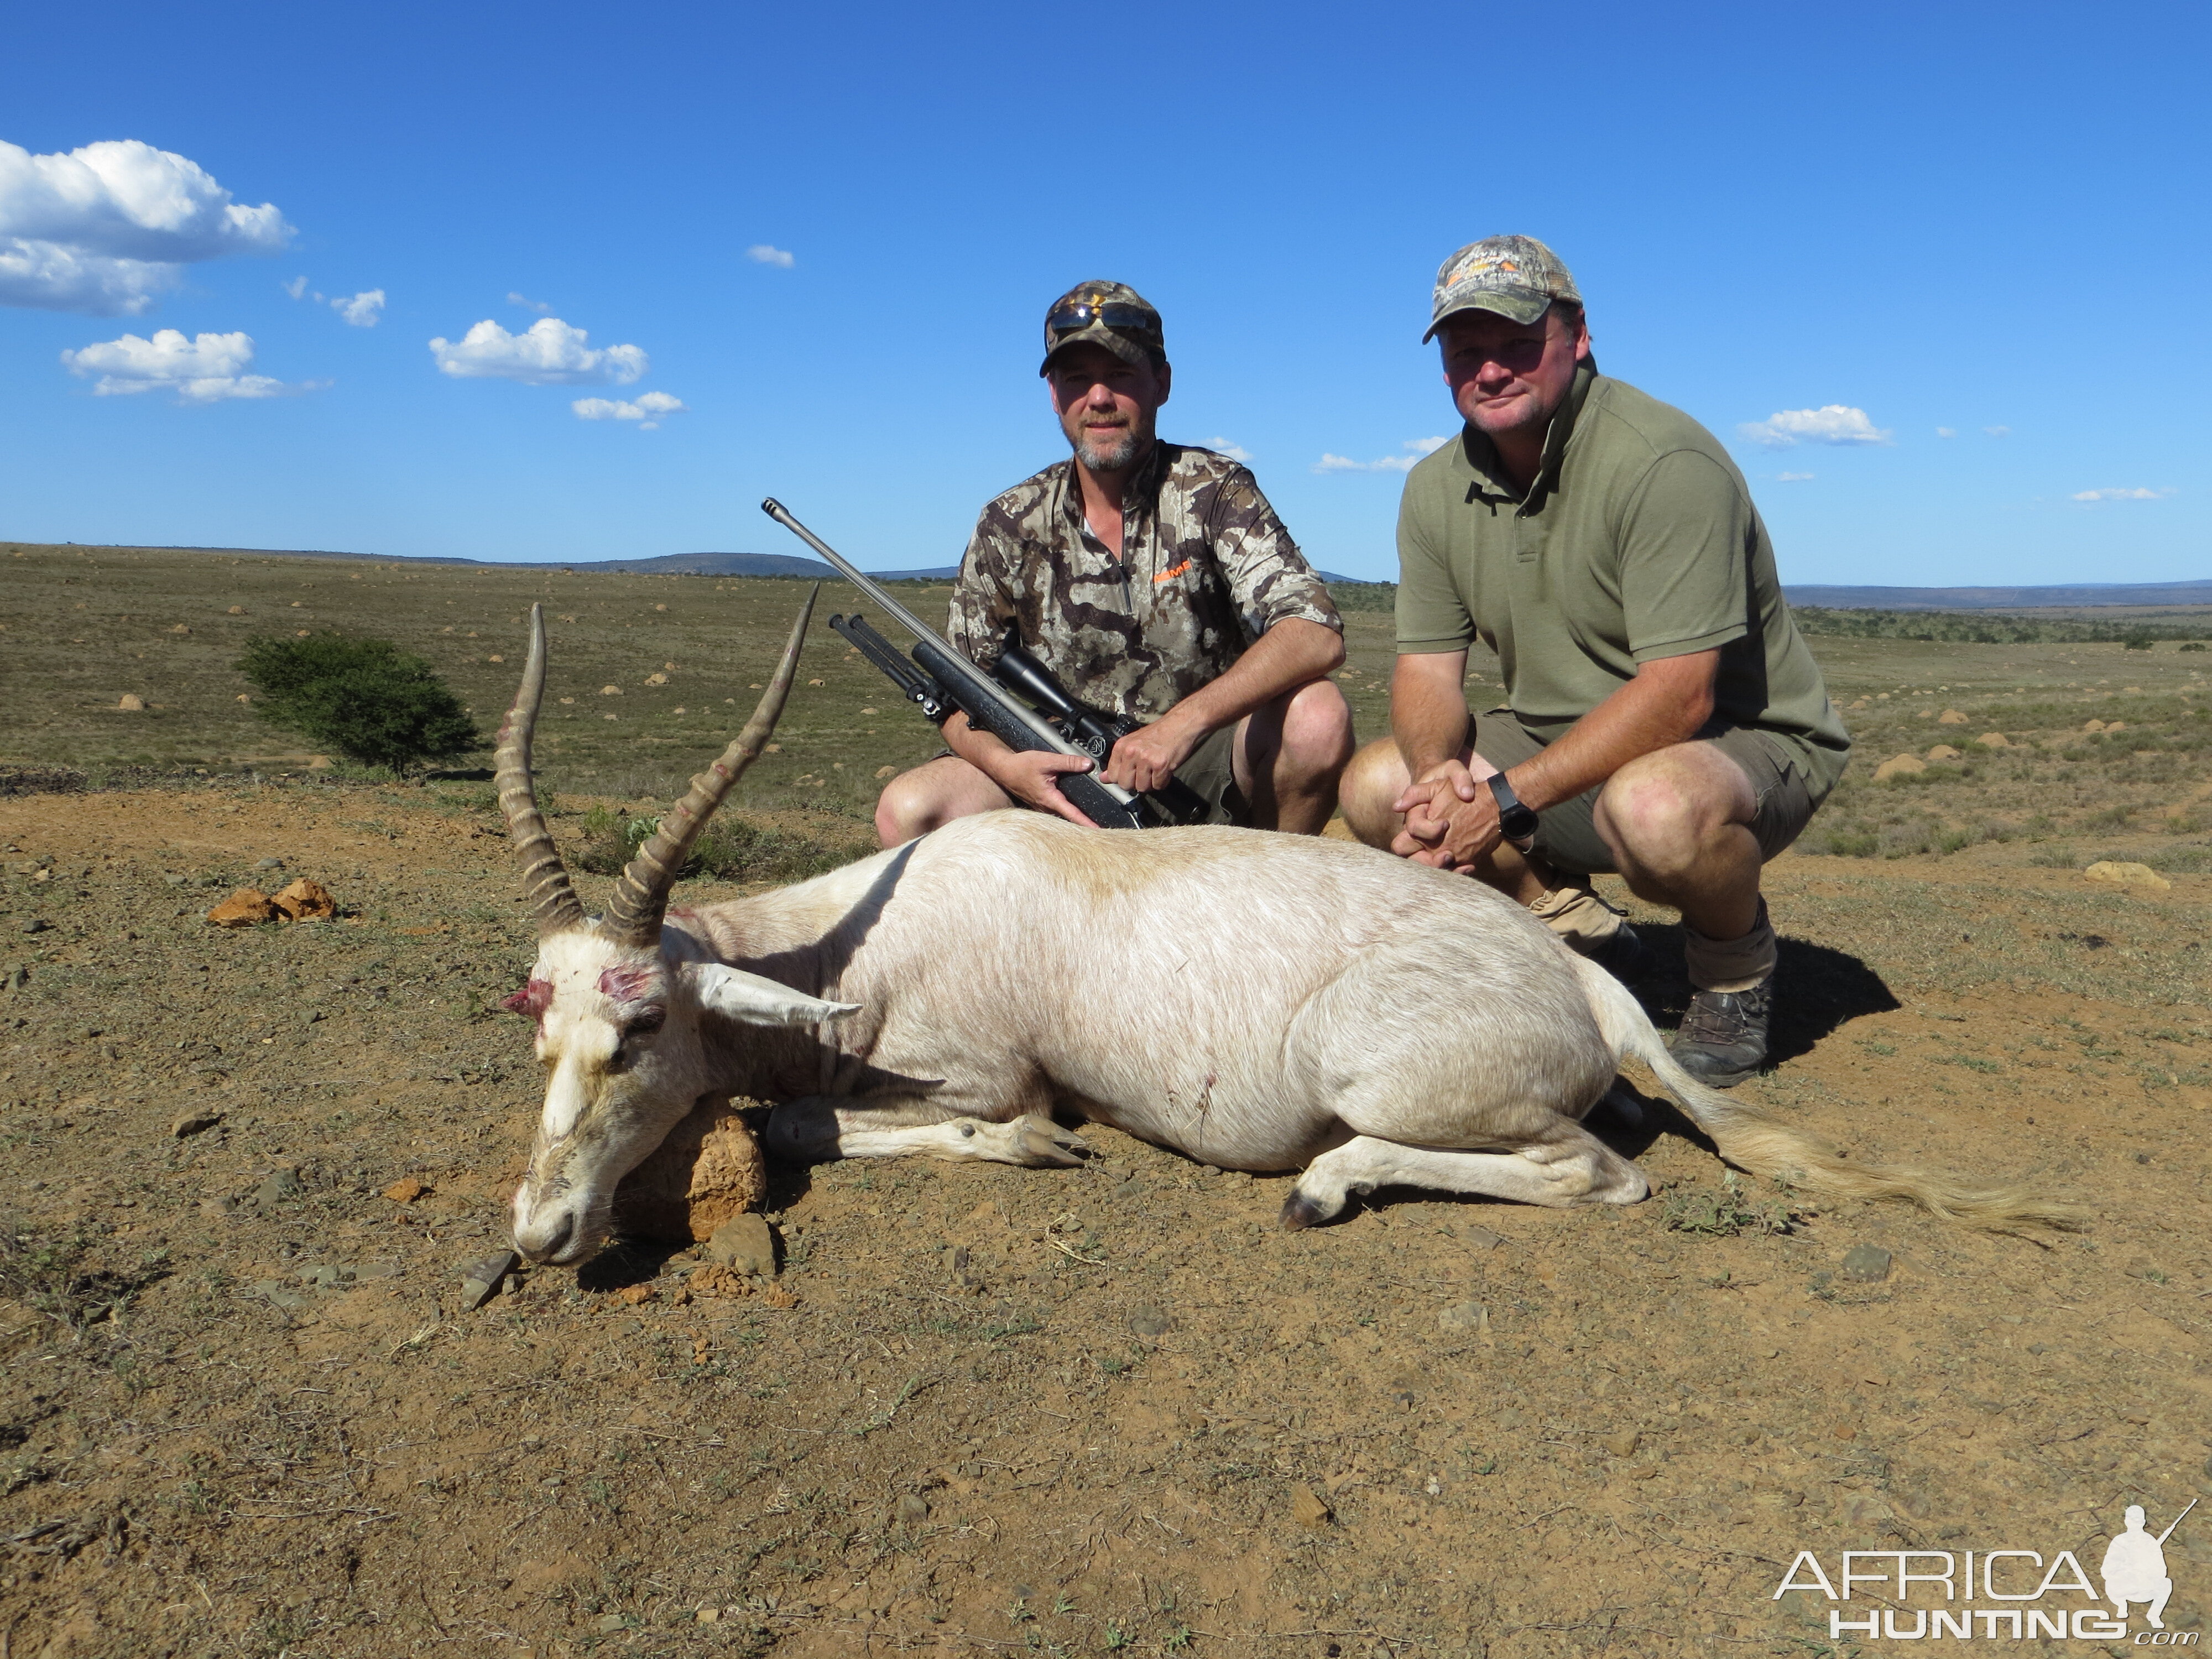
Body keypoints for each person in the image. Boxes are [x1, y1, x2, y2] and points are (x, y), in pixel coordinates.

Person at [1341, 236, 1850, 1086]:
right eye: (1468, 350)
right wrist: (1441, 783)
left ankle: (1734, 971)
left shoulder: (1663, 461)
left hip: (1736, 749)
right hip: (1558, 752)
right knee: (1376, 787)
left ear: (1575, 336)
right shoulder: (1434, 486)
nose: (1491, 369)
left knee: (1653, 808)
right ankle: (1573, 923)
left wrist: (1500, 802)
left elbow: (1681, 697)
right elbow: (1428, 669)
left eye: (1515, 342)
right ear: (1444, 368)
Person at [875, 281, 1354, 844]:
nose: (1098, 398)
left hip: (1197, 765)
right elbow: (957, 694)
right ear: (1055, 396)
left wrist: (1181, 726)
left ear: (1162, 384)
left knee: (1316, 718)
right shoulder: (1009, 520)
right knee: (910, 809)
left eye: (1121, 374)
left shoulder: (1214, 490)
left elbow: (1313, 632)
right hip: (1055, 773)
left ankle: (1274, 903)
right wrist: (1010, 770)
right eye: (1076, 378)